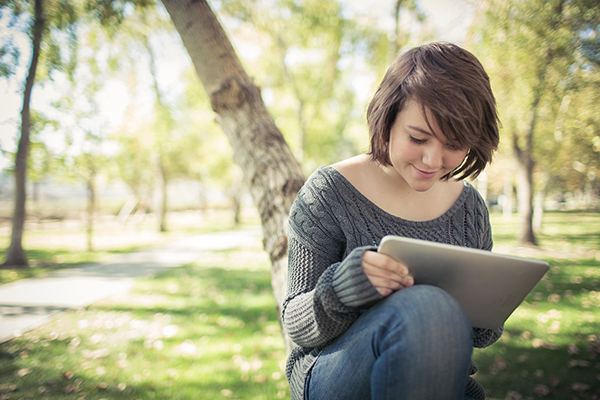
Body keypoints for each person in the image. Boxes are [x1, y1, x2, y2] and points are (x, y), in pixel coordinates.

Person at [282, 42, 504, 400]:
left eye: (454, 143)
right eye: (418, 138)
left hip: (432, 378)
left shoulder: (470, 208)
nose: (433, 159)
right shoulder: (329, 193)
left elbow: (482, 336)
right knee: (425, 308)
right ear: (388, 121)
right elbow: (295, 325)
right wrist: (344, 287)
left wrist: (491, 302)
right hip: (332, 375)